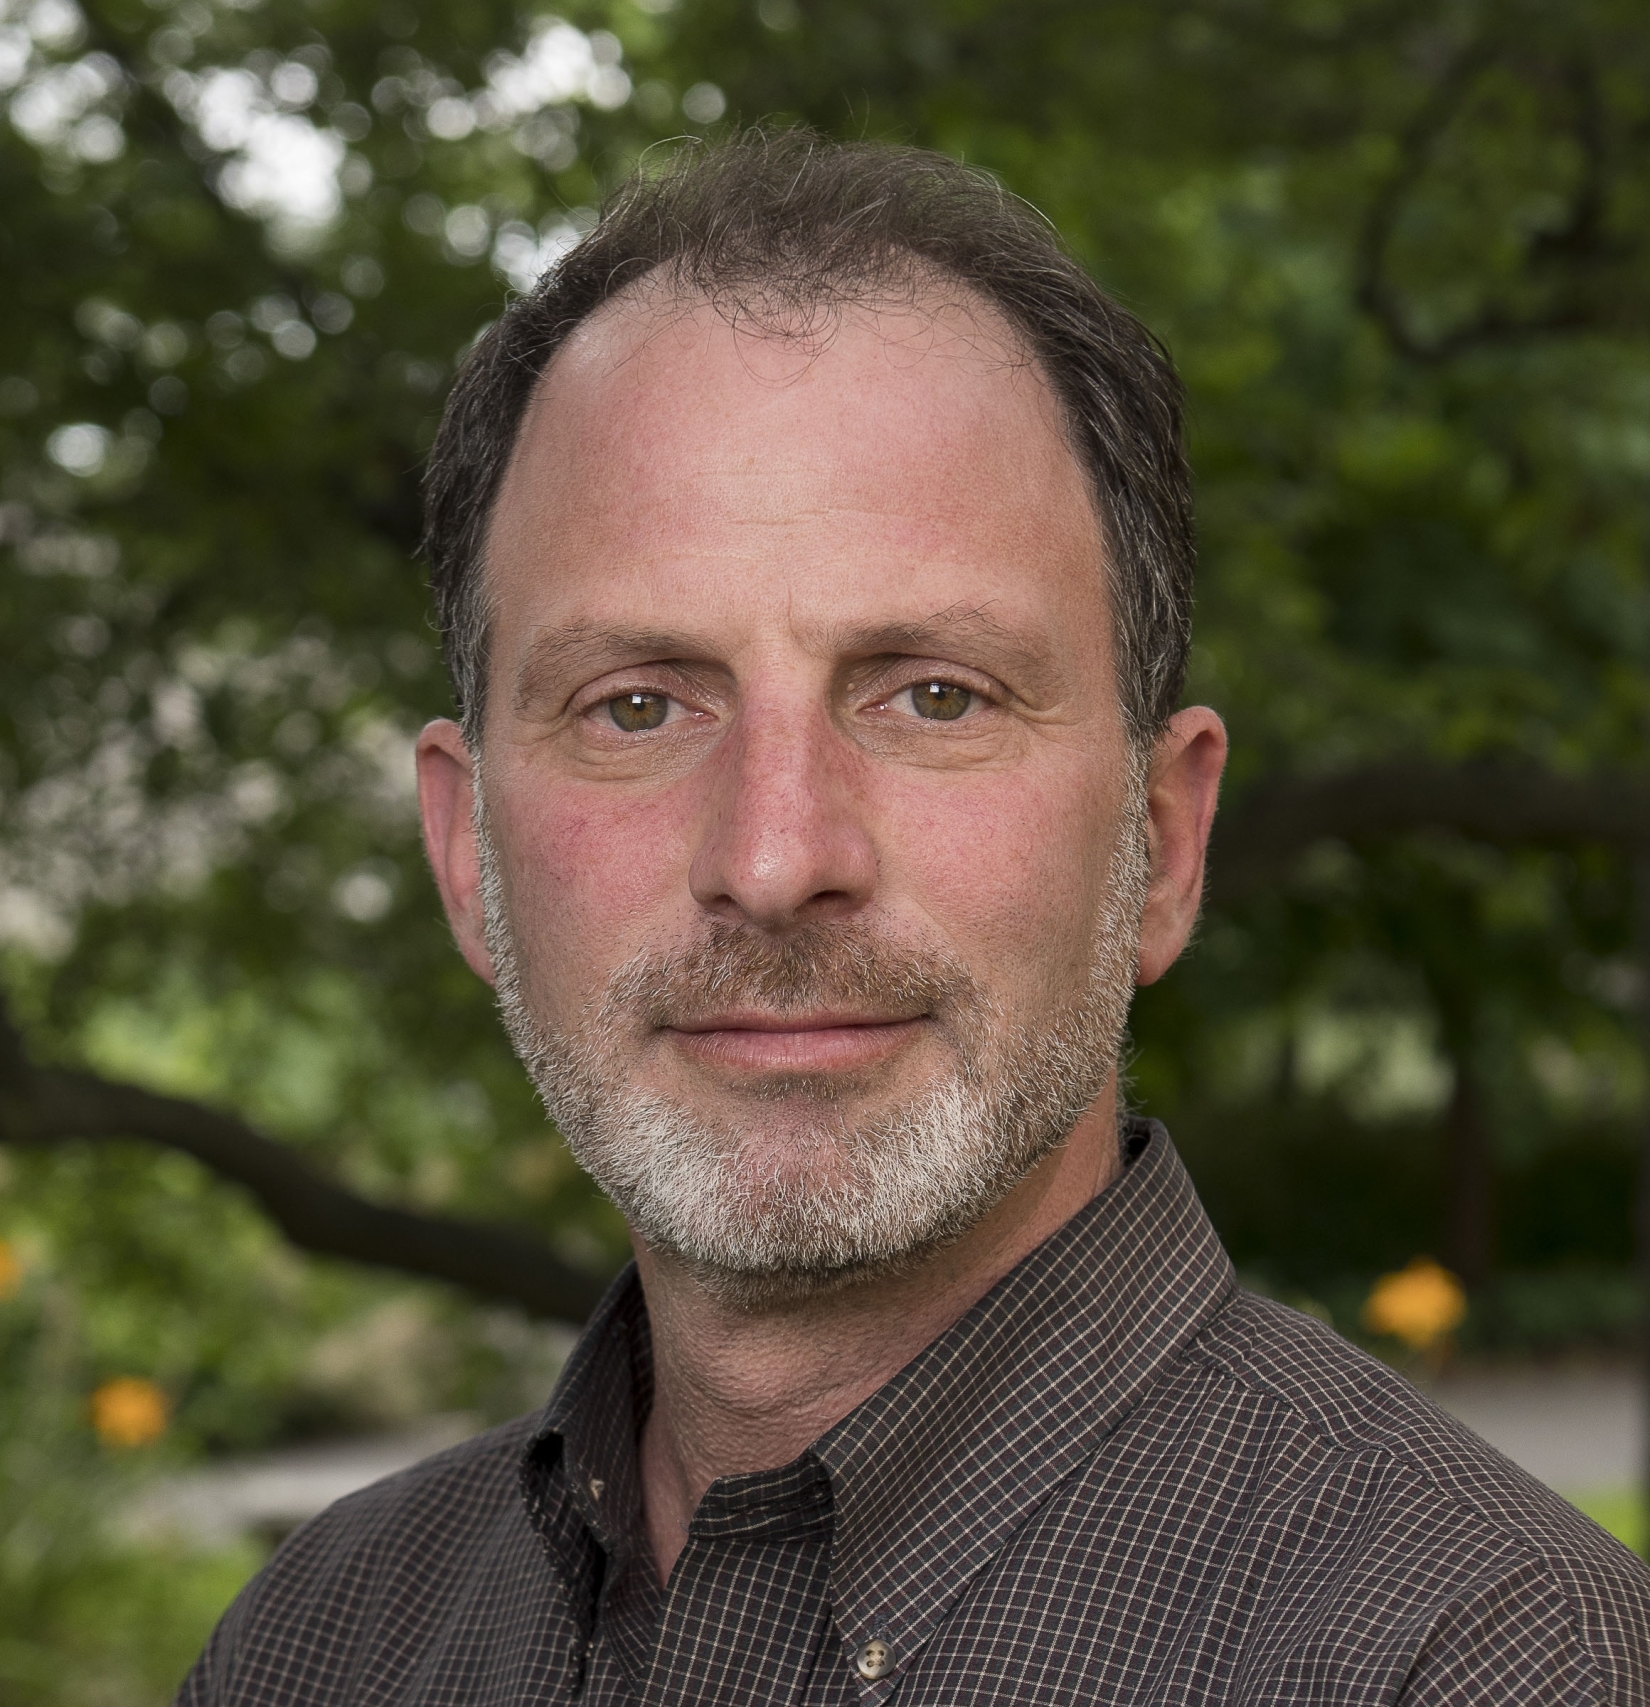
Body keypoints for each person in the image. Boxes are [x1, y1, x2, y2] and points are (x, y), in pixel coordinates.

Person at [178, 131, 1650, 1706]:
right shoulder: (320, 1644)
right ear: (470, 856)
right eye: (637, 706)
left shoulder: (1488, 1658)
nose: (774, 853)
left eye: (933, 694)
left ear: (1161, 842)